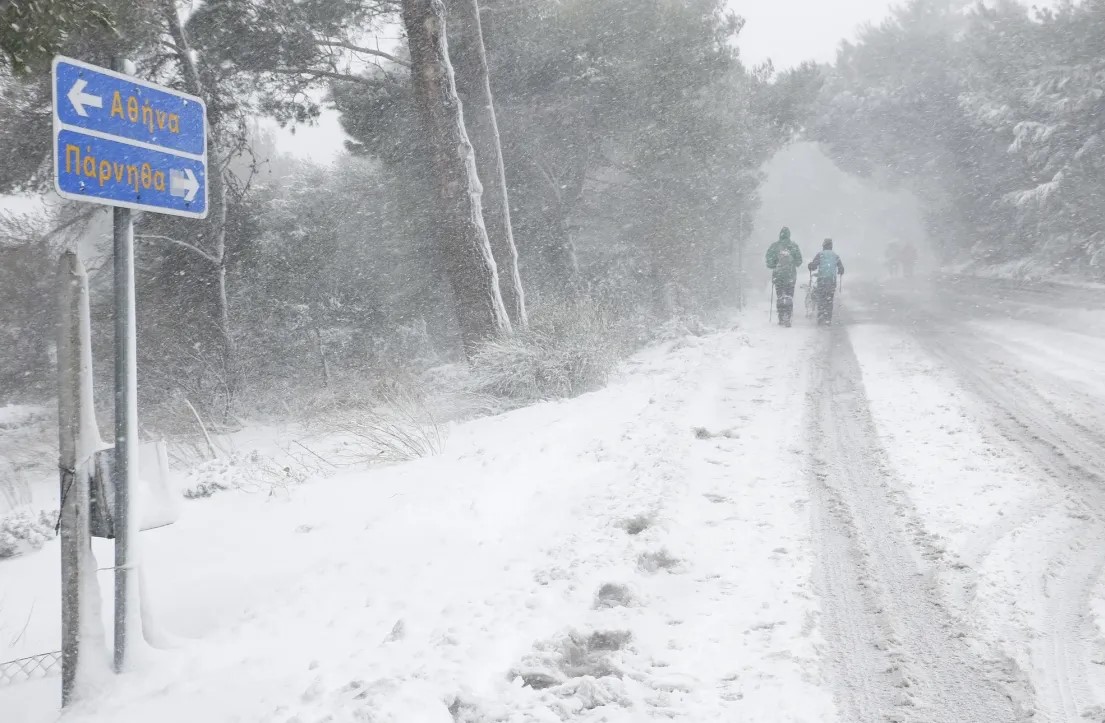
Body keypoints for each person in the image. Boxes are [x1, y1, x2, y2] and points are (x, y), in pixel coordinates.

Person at [765, 227, 802, 327]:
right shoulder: (793, 246)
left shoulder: (774, 246)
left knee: (780, 296)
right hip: (790, 275)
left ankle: (781, 317)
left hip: (778, 275)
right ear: (789, 235)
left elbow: (769, 261)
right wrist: (793, 263)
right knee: (789, 296)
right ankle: (788, 317)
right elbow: (799, 261)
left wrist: (773, 265)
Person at [808, 238, 844, 325]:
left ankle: (820, 317)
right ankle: (828, 318)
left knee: (821, 298)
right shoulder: (835, 256)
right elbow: (841, 268)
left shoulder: (820, 255)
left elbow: (814, 266)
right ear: (831, 246)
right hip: (831, 281)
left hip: (822, 280)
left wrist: (810, 266)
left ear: (823, 245)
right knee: (829, 299)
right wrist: (840, 270)